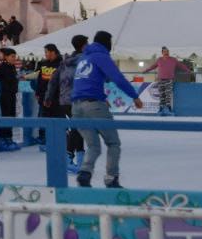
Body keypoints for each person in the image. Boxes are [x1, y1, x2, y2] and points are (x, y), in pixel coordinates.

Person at [71, 31, 142, 188]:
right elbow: (117, 78)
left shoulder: (84, 57)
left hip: (76, 107)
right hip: (94, 105)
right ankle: (111, 178)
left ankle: (84, 173)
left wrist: (101, 96)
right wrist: (134, 96)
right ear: (106, 43)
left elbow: (86, 81)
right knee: (113, 143)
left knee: (93, 146)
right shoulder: (101, 56)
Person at [45, 34, 88, 174]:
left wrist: (48, 97)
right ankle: (69, 157)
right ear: (83, 45)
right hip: (78, 100)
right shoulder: (86, 61)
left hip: (64, 101)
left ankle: (78, 160)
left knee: (78, 128)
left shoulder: (65, 61)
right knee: (77, 128)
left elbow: (53, 80)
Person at [142, 47, 191, 117]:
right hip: (160, 80)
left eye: (167, 51)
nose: (166, 52)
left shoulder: (173, 60)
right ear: (162, 53)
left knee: (168, 95)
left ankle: (169, 109)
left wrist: (188, 70)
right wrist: (146, 70)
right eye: (165, 51)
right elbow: (153, 66)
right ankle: (161, 109)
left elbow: (181, 66)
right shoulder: (159, 60)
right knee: (162, 95)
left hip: (169, 80)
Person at [32, 44, 63, 145]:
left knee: (57, 116)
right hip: (43, 95)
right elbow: (38, 78)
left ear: (52, 52)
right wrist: (37, 92)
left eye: (46, 52)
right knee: (43, 116)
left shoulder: (61, 64)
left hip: (57, 96)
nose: (45, 54)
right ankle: (43, 137)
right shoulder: (42, 63)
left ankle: (57, 137)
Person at [0, 49, 20, 151]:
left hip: (12, 95)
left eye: (14, 56)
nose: (14, 58)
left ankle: (10, 138)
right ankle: (4, 139)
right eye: (12, 56)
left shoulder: (12, 67)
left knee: (12, 116)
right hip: (5, 96)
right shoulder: (3, 67)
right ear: (6, 57)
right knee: (6, 116)